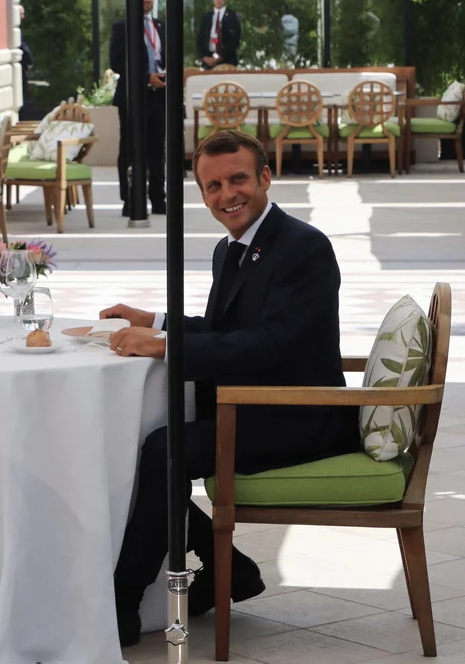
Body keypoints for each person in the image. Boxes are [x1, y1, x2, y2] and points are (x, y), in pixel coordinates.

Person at [100, 130, 359, 647]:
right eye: (212, 186)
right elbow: (227, 330)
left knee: (163, 450)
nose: (226, 195)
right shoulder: (232, 248)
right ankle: (231, 570)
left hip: (302, 415)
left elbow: (269, 347)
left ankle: (122, 602)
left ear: (266, 177)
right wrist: (158, 320)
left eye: (238, 179)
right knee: (146, 445)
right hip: (253, 408)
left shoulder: (304, 248)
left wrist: (164, 346)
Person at [109, 0, 167, 216]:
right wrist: (145, 77)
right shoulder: (122, 28)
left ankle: (158, 198)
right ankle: (131, 199)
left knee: (157, 150)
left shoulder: (161, 26)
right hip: (133, 97)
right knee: (131, 150)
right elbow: (116, 63)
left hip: (159, 96)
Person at [198, 0, 241, 69]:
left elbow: (235, 40)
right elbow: (200, 39)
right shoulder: (206, 16)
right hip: (208, 61)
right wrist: (204, 57)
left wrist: (219, 57)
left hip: (227, 61)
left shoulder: (233, 16)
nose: (219, 0)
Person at [19, 5, 34, 106]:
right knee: (21, 94)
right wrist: (30, 62)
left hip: (19, 66)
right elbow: (24, 49)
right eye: (21, 14)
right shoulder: (16, 32)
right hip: (21, 67)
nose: (23, 16)